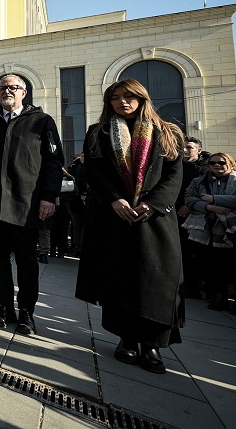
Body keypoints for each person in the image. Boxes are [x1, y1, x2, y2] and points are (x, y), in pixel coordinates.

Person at [76, 78, 184, 375]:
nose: (123, 102)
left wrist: (153, 203)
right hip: (116, 218)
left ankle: (151, 345)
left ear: (142, 98)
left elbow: (174, 175)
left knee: (155, 282)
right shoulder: (97, 133)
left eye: (129, 96)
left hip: (154, 220)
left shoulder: (168, 132)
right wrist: (114, 200)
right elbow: (94, 172)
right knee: (119, 279)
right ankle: (127, 339)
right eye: (116, 98)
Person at [0, 74, 64, 335]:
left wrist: (48, 196)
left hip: (26, 203)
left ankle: (27, 312)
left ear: (24, 92)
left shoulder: (42, 122)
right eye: (2, 88)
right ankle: (5, 307)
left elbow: (54, 162)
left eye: (12, 87)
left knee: (26, 259)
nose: (6, 91)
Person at [184, 152, 236, 312]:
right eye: (212, 163)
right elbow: (189, 199)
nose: (216, 166)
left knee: (233, 267)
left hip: (231, 230)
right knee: (213, 266)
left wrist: (213, 199)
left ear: (230, 163)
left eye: (221, 162)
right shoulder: (199, 181)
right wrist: (210, 207)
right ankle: (220, 298)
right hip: (207, 229)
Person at [177, 136, 208, 297]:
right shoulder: (175, 165)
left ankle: (197, 287)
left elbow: (206, 193)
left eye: (189, 147)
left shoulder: (205, 169)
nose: (184, 150)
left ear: (199, 150)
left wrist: (189, 206)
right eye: (183, 147)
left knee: (196, 253)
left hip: (196, 216)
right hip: (175, 214)